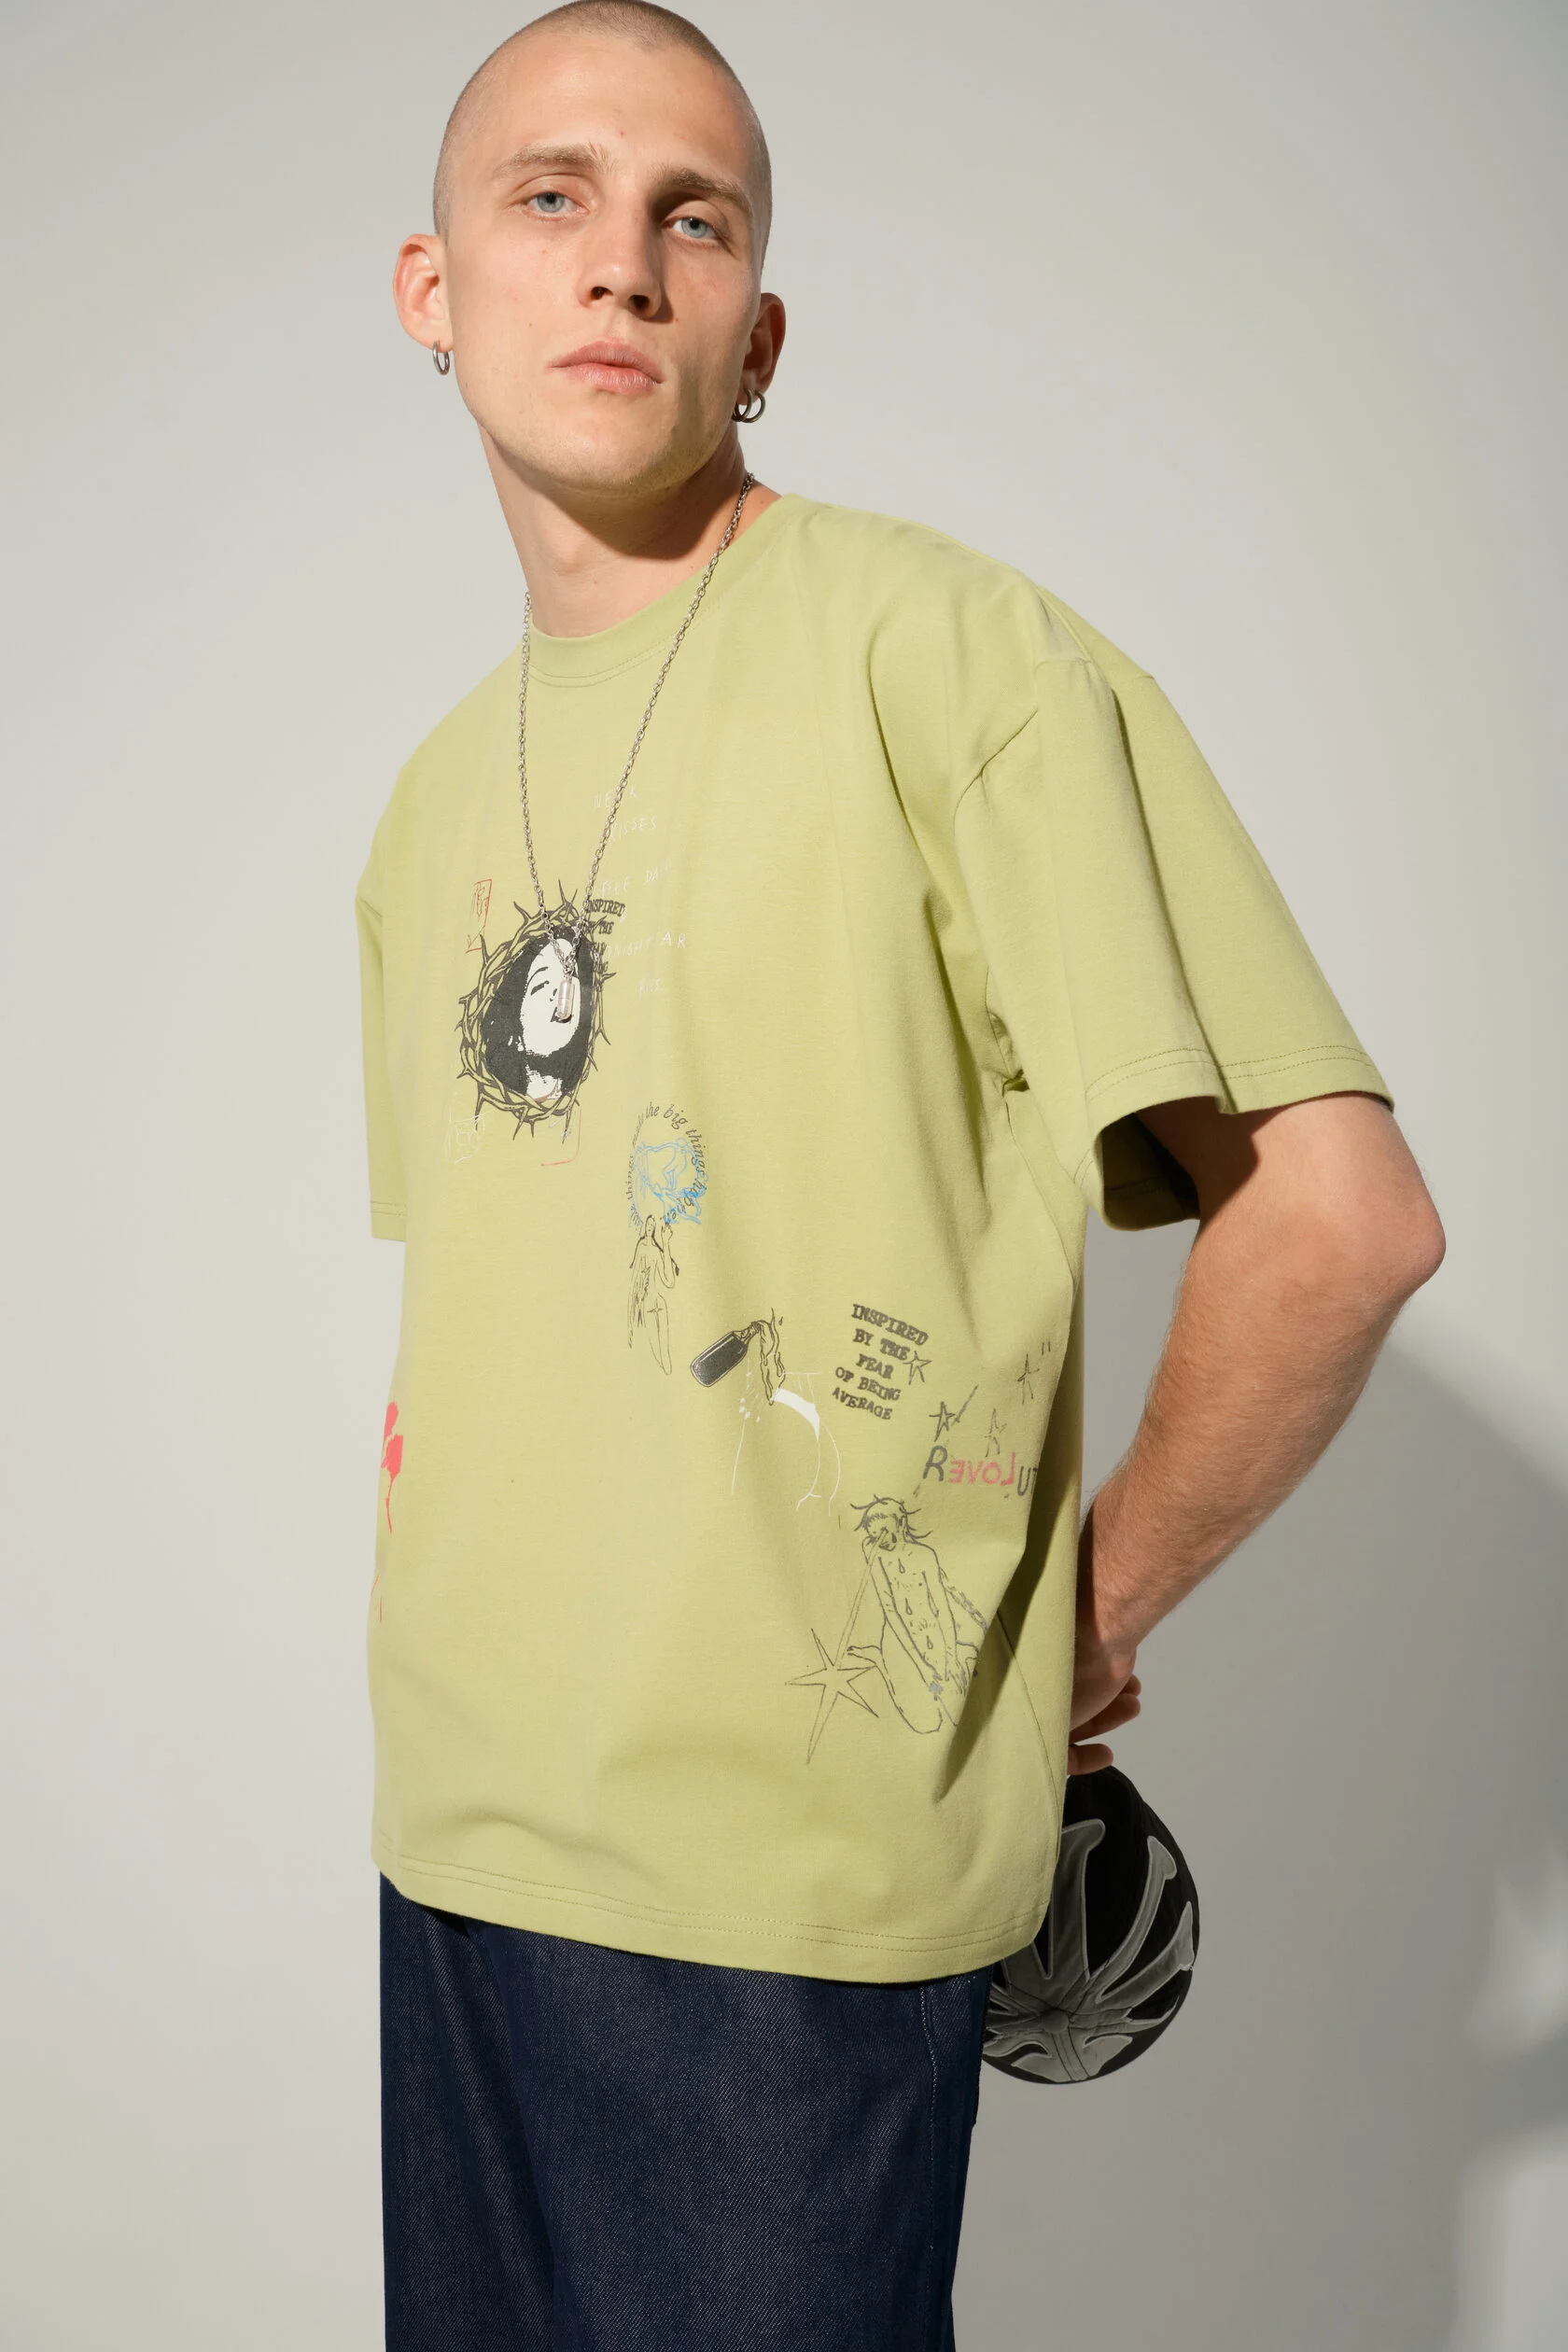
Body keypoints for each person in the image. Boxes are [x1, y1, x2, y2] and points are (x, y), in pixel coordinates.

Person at [358, 7, 1445, 2344]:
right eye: (549, 196)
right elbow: (492, 1313)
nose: (619, 262)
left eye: (694, 218)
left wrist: (1086, 1609)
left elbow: (1342, 1223)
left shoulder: (951, 658)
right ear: (432, 288)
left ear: (759, 333)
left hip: (785, 1904)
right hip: (451, 1849)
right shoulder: (431, 802)